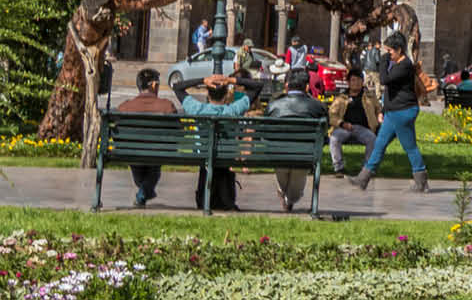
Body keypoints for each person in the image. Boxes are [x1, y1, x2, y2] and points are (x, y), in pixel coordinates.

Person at [349, 32, 429, 193]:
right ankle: (363, 179)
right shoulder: (397, 63)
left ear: (399, 50)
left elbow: (385, 80)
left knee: (410, 147)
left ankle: (421, 182)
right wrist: (384, 110)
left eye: (390, 51)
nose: (388, 54)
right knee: (379, 145)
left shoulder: (404, 65)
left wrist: (383, 61)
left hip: (403, 112)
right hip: (393, 113)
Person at [172, 70, 259, 210]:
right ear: (226, 95)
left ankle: (205, 199)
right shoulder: (233, 110)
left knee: (208, 163)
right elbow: (257, 86)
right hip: (226, 155)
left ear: (207, 94)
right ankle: (227, 200)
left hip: (204, 155)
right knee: (223, 164)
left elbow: (177, 87)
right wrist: (230, 80)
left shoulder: (197, 109)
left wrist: (203, 80)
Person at [262, 73, 328, 212]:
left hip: (277, 153)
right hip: (305, 154)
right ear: (307, 86)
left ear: (286, 85)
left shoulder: (273, 105)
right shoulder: (318, 106)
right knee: (294, 195)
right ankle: (288, 198)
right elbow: (324, 135)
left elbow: (264, 133)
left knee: (289, 187)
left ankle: (284, 195)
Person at [116, 69, 179, 207]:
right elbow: (177, 132)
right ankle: (144, 191)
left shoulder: (124, 107)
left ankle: (144, 189)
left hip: (130, 152)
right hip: (158, 152)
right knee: (154, 162)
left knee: (139, 162)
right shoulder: (167, 106)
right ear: (154, 85)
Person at [326, 69, 377, 175]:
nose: (356, 83)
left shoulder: (369, 97)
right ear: (348, 83)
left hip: (363, 128)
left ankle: (367, 169)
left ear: (363, 82)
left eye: (359, 80)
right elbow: (332, 115)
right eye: (353, 80)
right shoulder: (341, 98)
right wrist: (342, 124)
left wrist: (380, 116)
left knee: (372, 138)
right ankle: (339, 168)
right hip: (344, 128)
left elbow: (379, 109)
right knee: (334, 138)